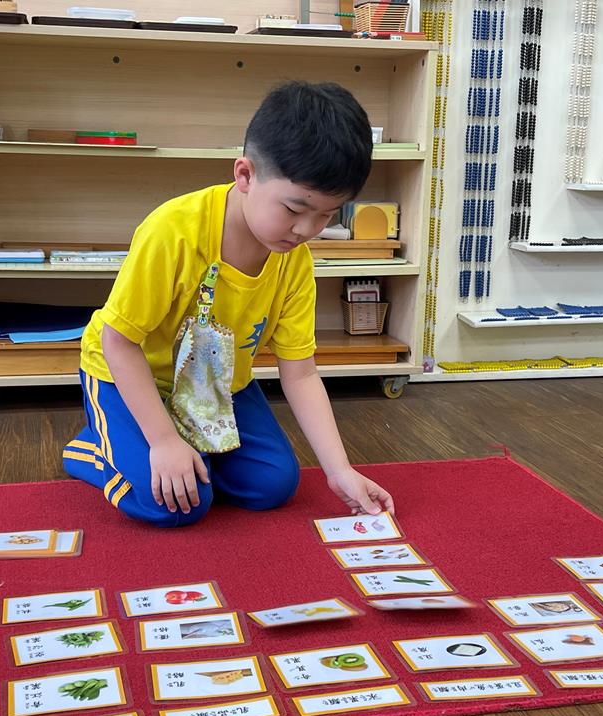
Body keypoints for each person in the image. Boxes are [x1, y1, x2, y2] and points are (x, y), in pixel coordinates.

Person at [63, 81, 394, 527]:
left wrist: (340, 471)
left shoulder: (294, 260)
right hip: (127, 376)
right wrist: (162, 441)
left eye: (327, 214)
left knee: (273, 485)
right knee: (174, 506)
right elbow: (118, 342)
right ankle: (92, 448)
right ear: (245, 175)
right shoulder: (173, 231)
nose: (306, 230)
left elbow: (301, 372)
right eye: (294, 209)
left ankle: (185, 451)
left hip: (214, 386)